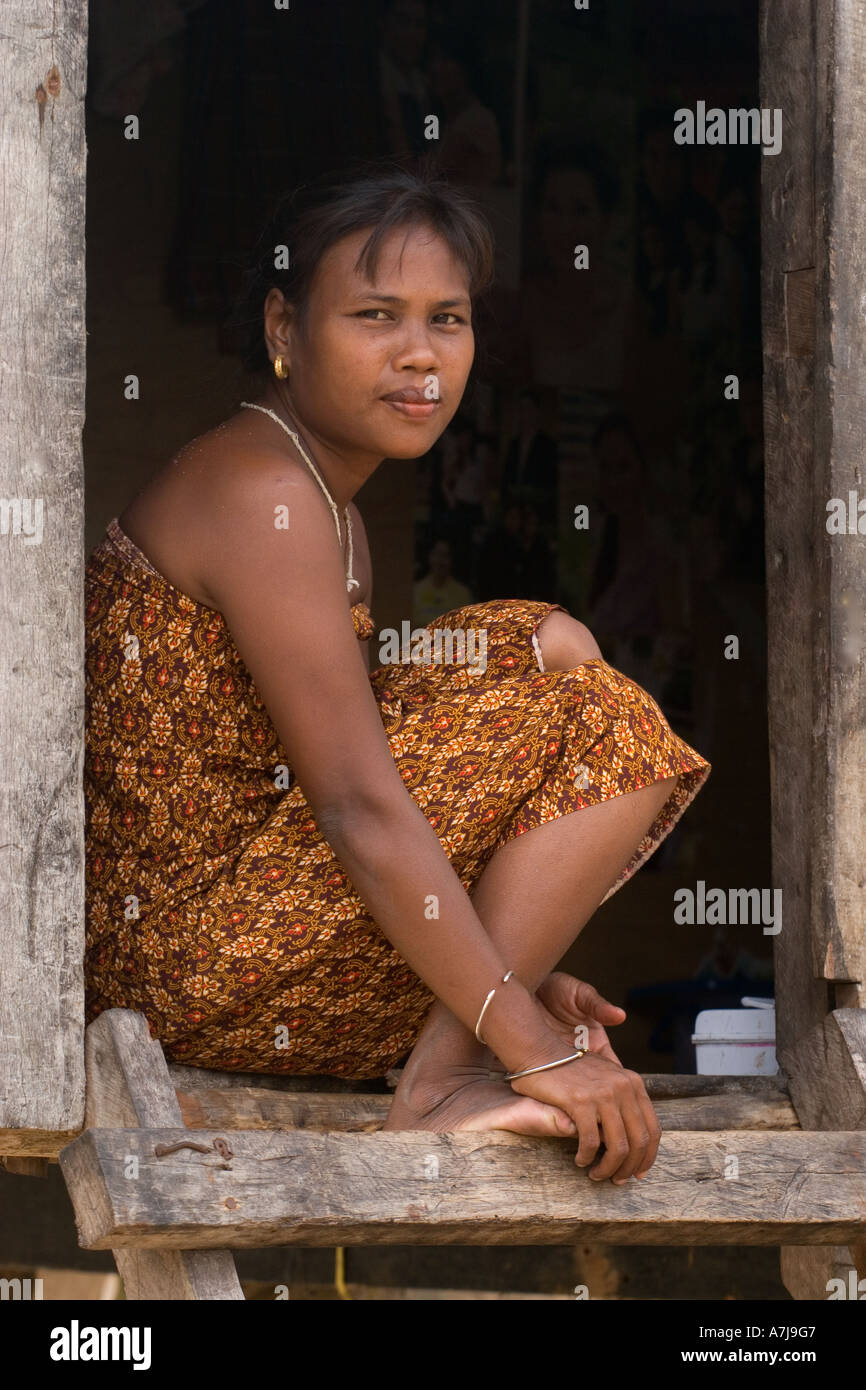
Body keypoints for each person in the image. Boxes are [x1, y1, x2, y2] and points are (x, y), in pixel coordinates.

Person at [84, 163, 710, 1185]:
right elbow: (357, 809)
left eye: (446, 320)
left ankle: (447, 1044)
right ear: (284, 330)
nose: (419, 356)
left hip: (245, 924)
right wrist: (527, 1038)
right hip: (186, 966)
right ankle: (438, 1079)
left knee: (548, 643)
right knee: (606, 722)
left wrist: (515, 971)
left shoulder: (326, 500)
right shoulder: (262, 492)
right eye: (375, 315)